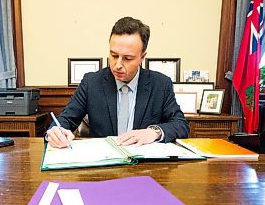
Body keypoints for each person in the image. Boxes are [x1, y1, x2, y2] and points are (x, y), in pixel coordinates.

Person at [46, 16, 189, 148]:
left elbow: (181, 125)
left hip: (145, 166)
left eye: (127, 58)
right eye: (114, 55)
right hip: (103, 167)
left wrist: (154, 132)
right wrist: (55, 132)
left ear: (142, 57)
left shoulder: (161, 84)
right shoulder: (91, 83)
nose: (117, 65)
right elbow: (65, 120)